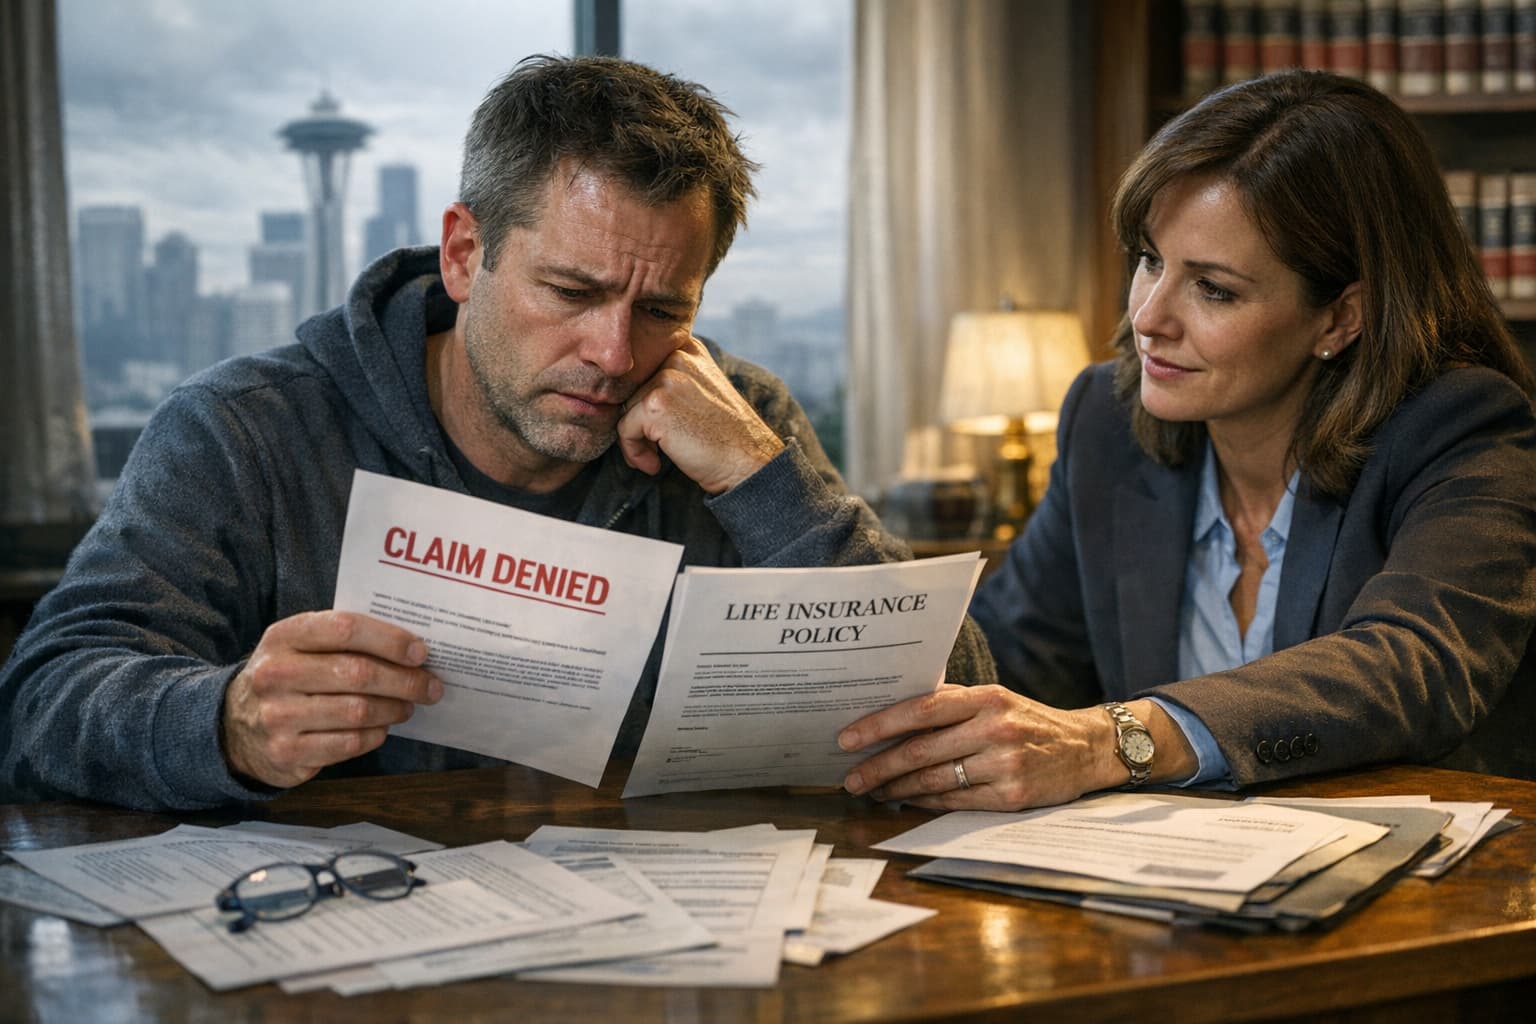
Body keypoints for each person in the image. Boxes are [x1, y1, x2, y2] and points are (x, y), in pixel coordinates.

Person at [0, 55, 994, 811]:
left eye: (663, 310)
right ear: (465, 253)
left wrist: (760, 481)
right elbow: (39, 701)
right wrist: (224, 724)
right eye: (570, 291)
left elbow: (960, 707)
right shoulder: (244, 431)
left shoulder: (739, 420)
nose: (614, 354)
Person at [838, 69, 1536, 811]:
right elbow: (1004, 663)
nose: (1148, 318)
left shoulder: (1463, 427)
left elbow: (1408, 665)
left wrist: (1111, 742)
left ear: (1340, 318)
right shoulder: (1106, 422)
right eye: (1150, 260)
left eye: (1214, 289)